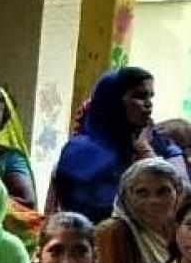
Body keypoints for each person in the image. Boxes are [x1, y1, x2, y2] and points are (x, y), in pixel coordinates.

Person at [54, 67, 187, 224]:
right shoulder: (81, 152)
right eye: (139, 96)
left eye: (150, 97)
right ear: (113, 101)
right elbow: (97, 210)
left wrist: (147, 149)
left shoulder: (154, 142)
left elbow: (183, 198)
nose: (149, 104)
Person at [93, 157, 189, 263]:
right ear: (127, 197)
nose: (154, 201)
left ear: (178, 192)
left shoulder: (181, 229)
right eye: (142, 193)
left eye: (163, 191)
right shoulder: (113, 233)